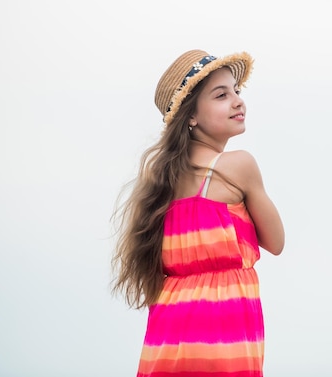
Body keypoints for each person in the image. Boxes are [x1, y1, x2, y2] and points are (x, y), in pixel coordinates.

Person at [111, 49, 285, 377]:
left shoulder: (158, 188)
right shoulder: (238, 166)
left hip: (167, 337)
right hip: (223, 337)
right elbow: (276, 241)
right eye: (221, 95)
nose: (237, 101)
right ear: (190, 116)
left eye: (237, 91)